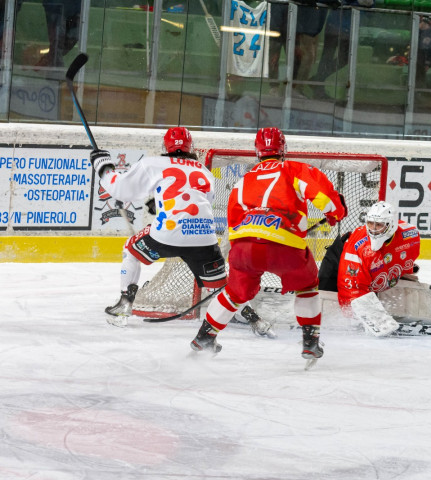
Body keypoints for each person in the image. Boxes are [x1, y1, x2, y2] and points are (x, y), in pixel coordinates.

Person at [190, 127, 346, 364]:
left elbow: (233, 223)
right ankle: (310, 342)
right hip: (284, 245)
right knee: (307, 286)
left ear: (257, 151)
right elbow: (322, 196)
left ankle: (205, 336)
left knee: (235, 293)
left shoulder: (244, 180)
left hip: (244, 246)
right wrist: (336, 213)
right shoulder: (294, 169)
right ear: (283, 149)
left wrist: (245, 249)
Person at [91, 128, 239, 328]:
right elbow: (204, 202)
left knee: (131, 250)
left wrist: (104, 168)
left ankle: (125, 304)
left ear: (165, 146)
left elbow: (121, 189)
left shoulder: (153, 163)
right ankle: (249, 316)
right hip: (204, 239)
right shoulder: (203, 170)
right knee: (221, 287)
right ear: (190, 146)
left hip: (166, 237)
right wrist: (161, 202)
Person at [318, 201, 421, 335]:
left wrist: (401, 271)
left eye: (379, 224)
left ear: (391, 225)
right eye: (370, 223)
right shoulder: (359, 249)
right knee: (326, 298)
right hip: (339, 259)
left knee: (379, 283)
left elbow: (404, 255)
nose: (373, 229)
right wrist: (375, 320)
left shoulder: (410, 235)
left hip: (369, 263)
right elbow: (350, 288)